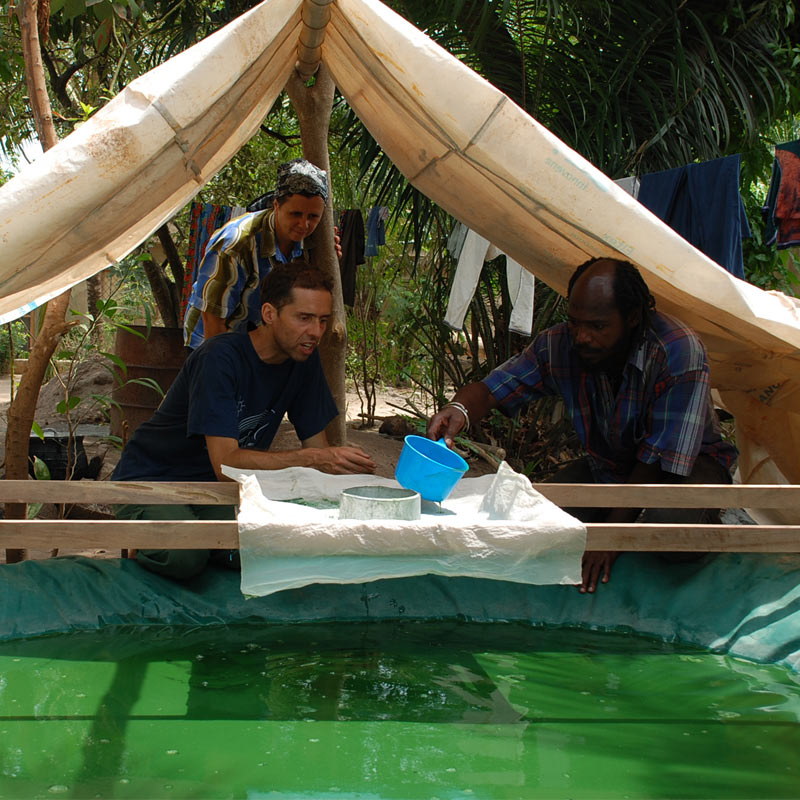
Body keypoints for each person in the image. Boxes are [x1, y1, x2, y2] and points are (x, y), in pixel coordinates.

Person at [428, 257, 737, 594]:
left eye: (597, 326)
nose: (582, 336)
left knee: (672, 530)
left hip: (686, 467)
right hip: (609, 468)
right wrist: (457, 408)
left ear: (633, 318)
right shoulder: (560, 344)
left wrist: (611, 536)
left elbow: (659, 463)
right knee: (546, 522)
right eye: (575, 323)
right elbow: (492, 389)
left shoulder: (678, 350)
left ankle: (716, 521)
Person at [114, 263, 376, 580]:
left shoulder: (302, 359)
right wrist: (314, 459)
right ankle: (136, 555)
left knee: (258, 548)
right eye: (304, 318)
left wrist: (344, 474)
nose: (316, 332)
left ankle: (200, 545)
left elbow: (318, 451)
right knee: (185, 558)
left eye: (322, 320)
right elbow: (226, 467)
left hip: (216, 492)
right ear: (268, 314)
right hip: (153, 481)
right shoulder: (219, 358)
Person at [183, 158, 338, 349]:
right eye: (295, 214)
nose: (304, 224)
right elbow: (213, 320)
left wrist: (327, 260)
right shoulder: (235, 245)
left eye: (313, 216)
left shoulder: (312, 244)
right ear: (276, 205)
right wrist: (219, 369)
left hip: (258, 344)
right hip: (212, 341)